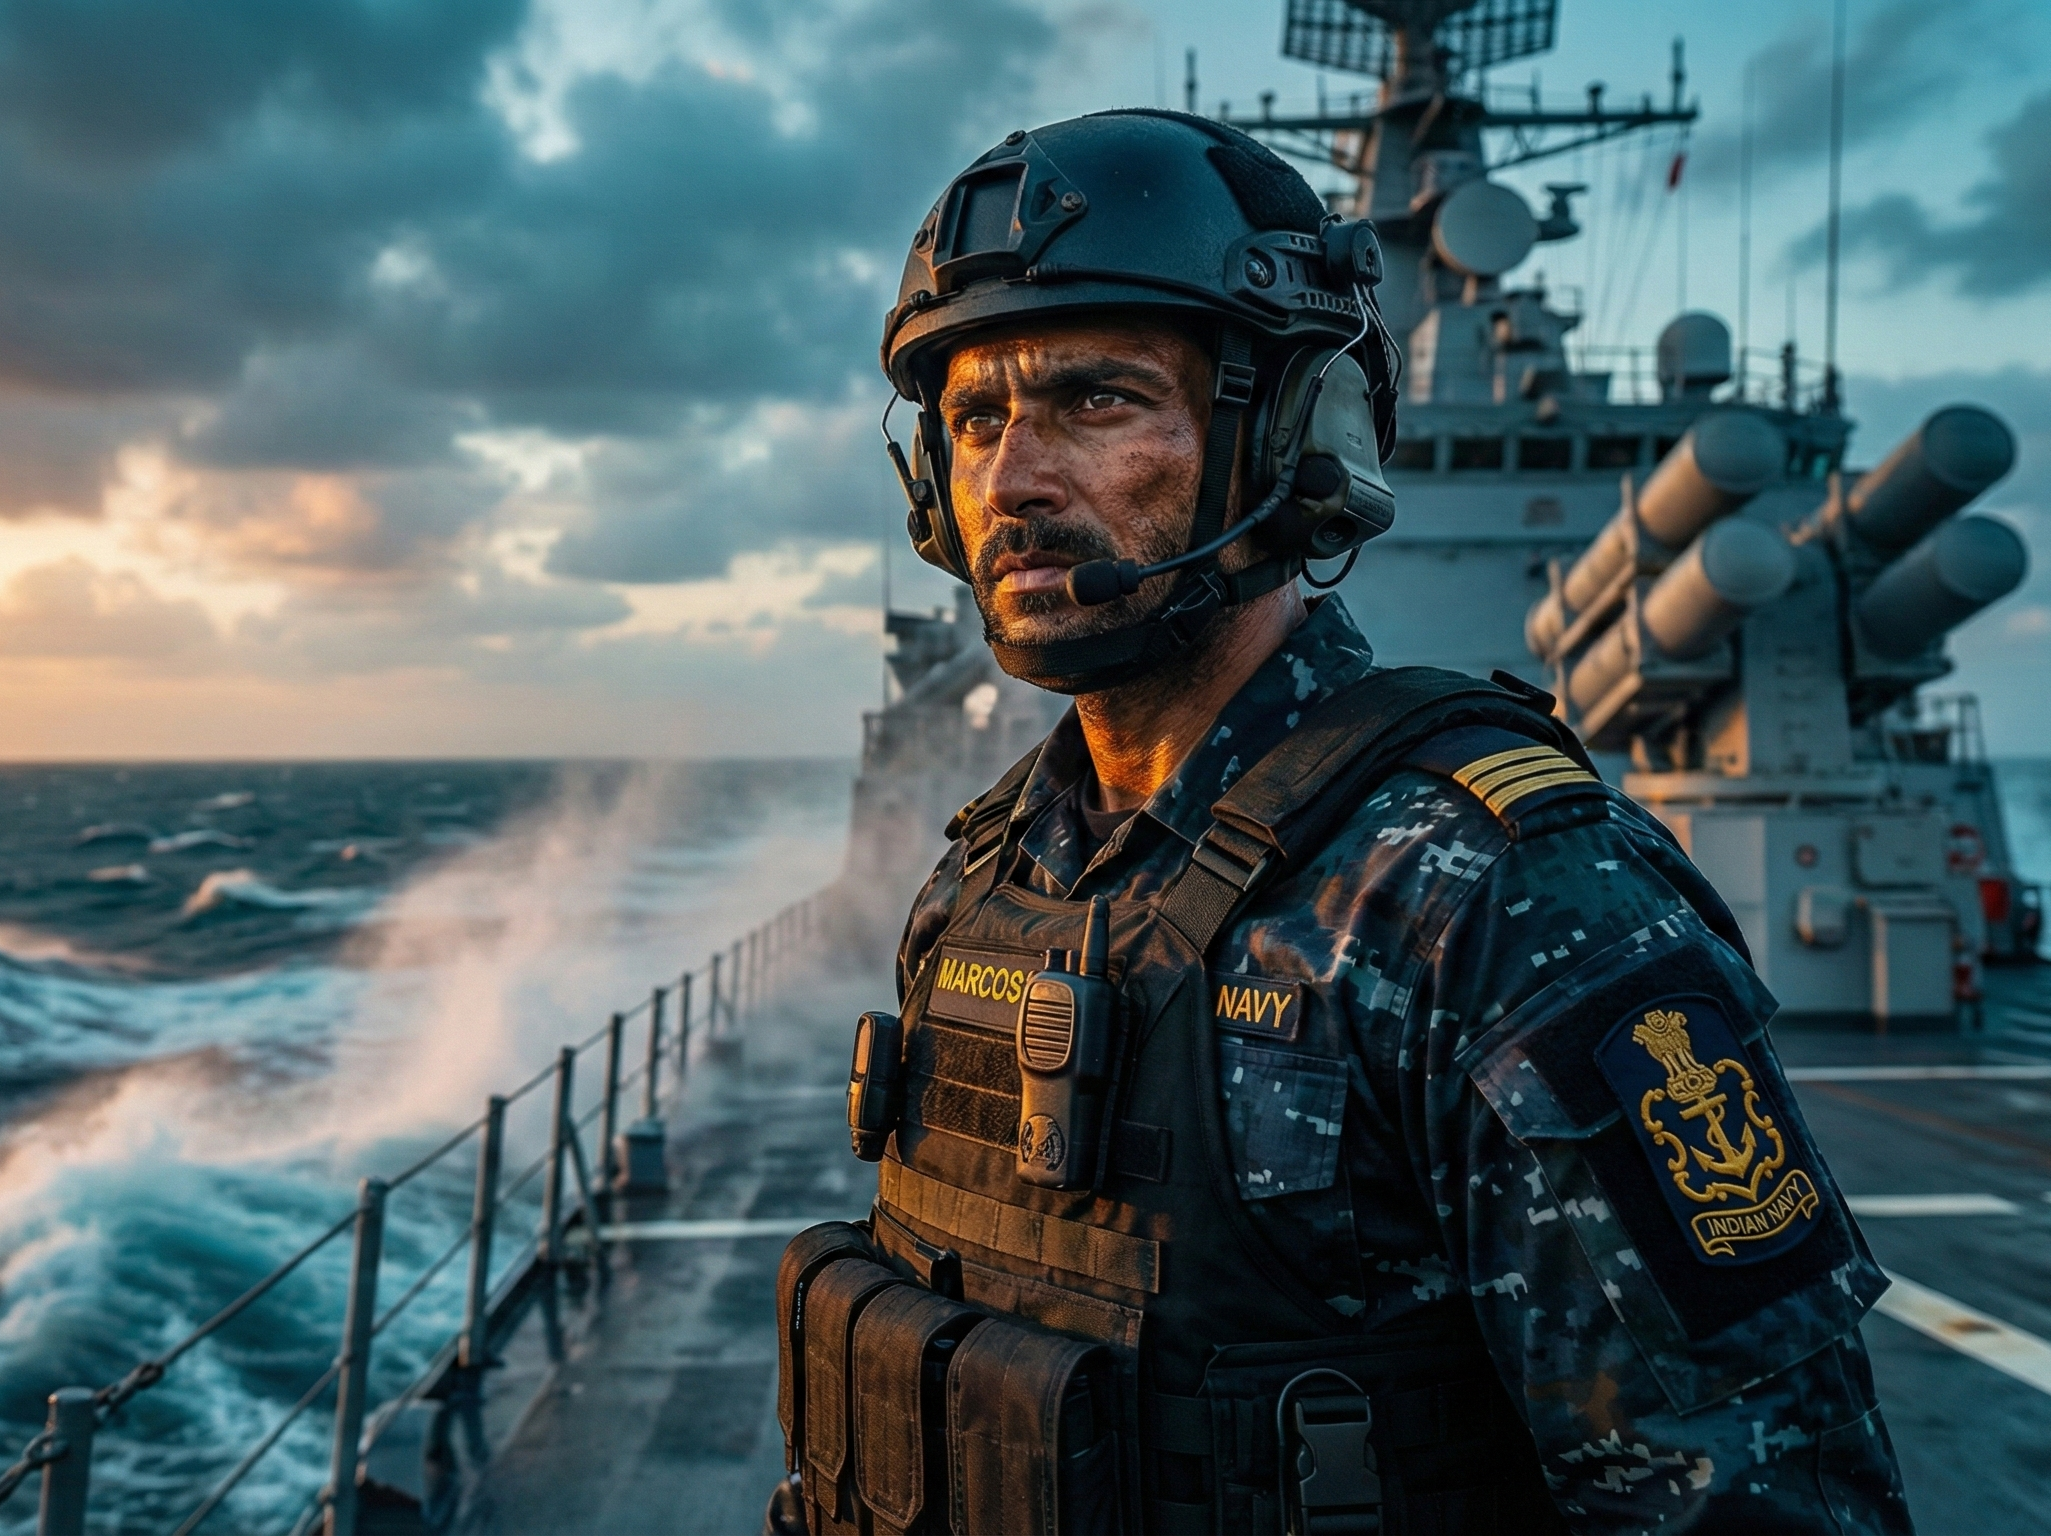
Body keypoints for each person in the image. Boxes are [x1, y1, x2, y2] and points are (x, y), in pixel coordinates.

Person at [771, 110, 1910, 1535]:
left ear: (1295, 436)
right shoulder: (982, 880)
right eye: (977, 420)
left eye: (1100, 402)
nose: (1012, 479)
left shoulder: (1505, 899)